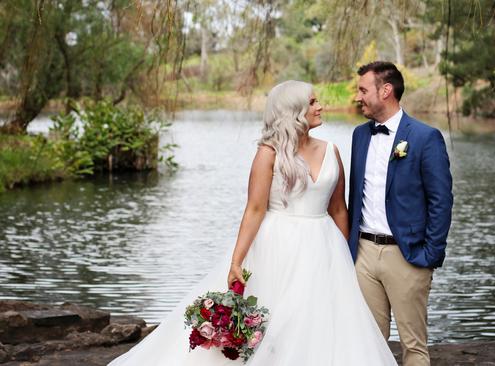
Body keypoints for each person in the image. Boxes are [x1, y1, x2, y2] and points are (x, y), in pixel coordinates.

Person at [109, 80, 398, 366]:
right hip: (278, 245)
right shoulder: (268, 153)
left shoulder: (332, 150)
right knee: (278, 317)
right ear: (293, 110)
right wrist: (237, 260)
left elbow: (338, 209)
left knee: (320, 318)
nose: (320, 106)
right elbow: (255, 209)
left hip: (325, 247)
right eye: (312, 102)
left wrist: (346, 259)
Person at [348, 61, 453, 366]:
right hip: (364, 254)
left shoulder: (425, 137)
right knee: (368, 343)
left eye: (363, 89)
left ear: (386, 90)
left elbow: (441, 201)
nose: (358, 96)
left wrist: (430, 254)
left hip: (407, 255)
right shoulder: (359, 135)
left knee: (413, 346)